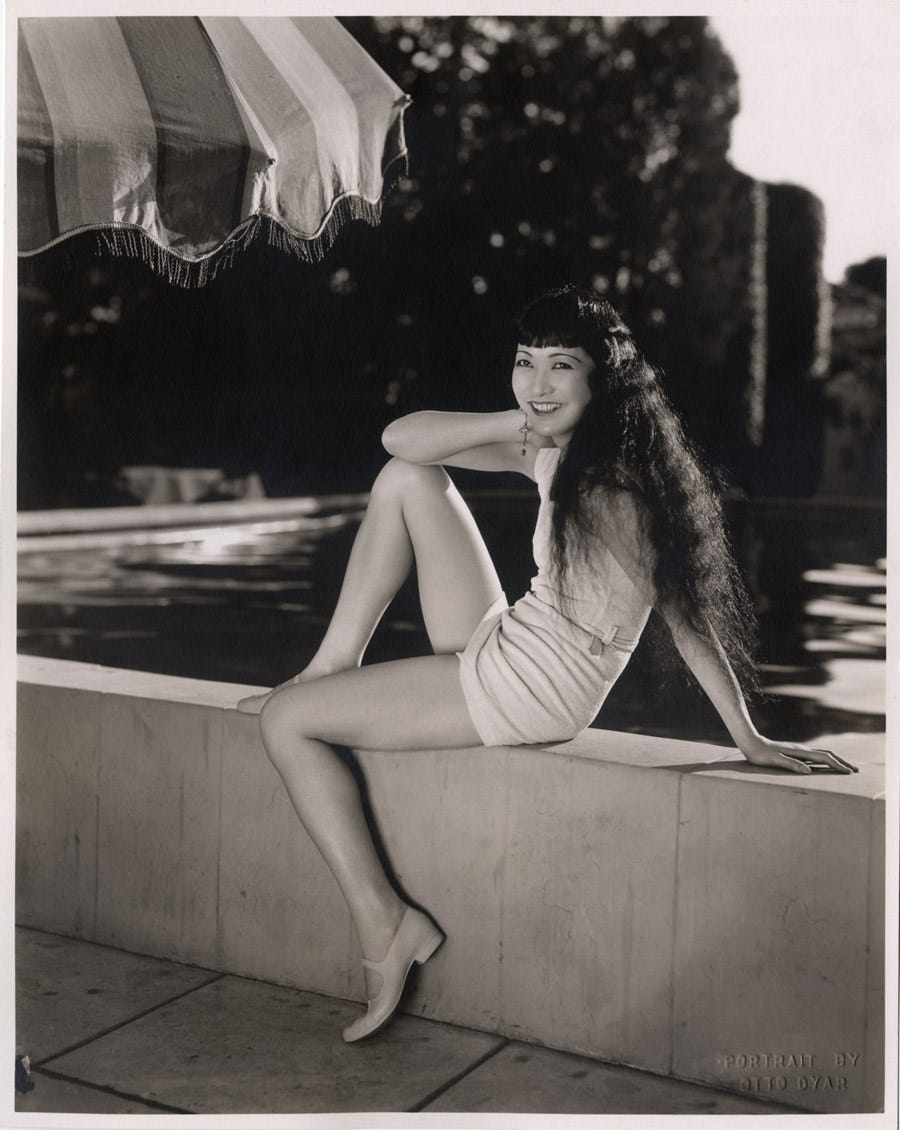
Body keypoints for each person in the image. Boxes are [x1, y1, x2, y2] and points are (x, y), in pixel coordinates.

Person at [237, 285, 856, 1044]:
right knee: (405, 482)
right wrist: (518, 425)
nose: (536, 383)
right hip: (517, 638)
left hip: (533, 686)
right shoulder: (567, 453)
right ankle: (328, 666)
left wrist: (751, 739)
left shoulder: (611, 486)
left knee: (286, 724)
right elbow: (401, 441)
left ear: (604, 382)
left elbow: (685, 618)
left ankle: (385, 923)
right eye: (526, 362)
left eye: (561, 366)